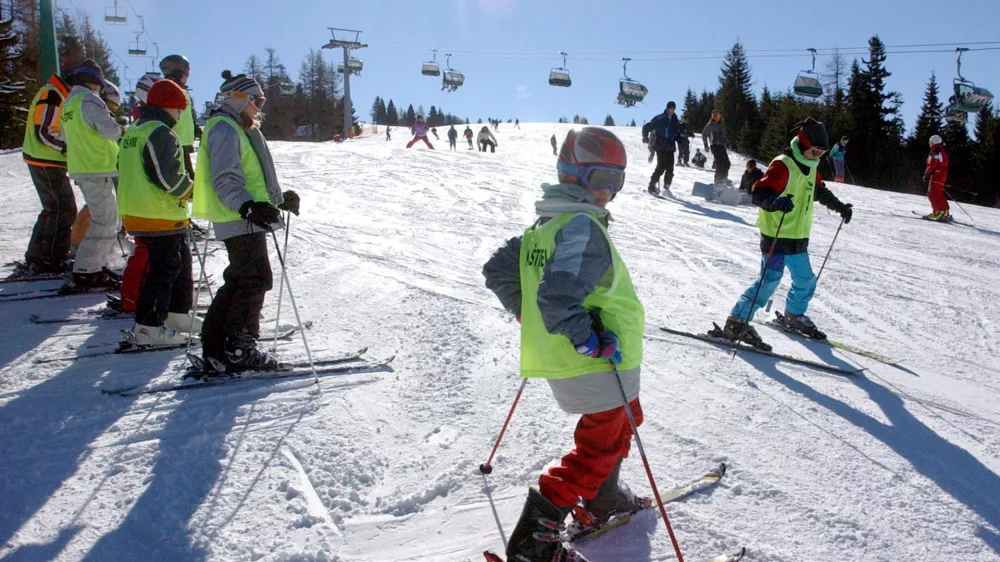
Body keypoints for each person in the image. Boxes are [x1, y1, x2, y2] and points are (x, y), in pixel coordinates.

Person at [482, 127, 646, 562]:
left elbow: (498, 270)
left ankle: (602, 501)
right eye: (599, 179)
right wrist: (588, 339)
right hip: (598, 362)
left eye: (617, 181)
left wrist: (528, 312)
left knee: (626, 420)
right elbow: (557, 299)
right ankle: (534, 546)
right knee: (599, 448)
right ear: (572, 175)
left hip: (586, 362)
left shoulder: (547, 225)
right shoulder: (580, 227)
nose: (608, 192)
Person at [193, 70, 300, 373]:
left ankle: (217, 348)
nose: (259, 107)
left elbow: (252, 177)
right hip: (239, 218)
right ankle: (240, 347)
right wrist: (249, 208)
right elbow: (225, 180)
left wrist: (278, 200)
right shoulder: (225, 129)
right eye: (257, 100)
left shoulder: (235, 128)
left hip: (240, 216)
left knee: (240, 280)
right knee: (255, 279)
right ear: (240, 98)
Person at [718, 118, 853, 348]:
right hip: (776, 236)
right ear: (802, 143)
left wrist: (840, 207)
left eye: (822, 152)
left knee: (806, 280)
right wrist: (775, 203)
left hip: (798, 236)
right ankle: (737, 321)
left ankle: (793, 315)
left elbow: (820, 192)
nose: (817, 156)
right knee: (769, 280)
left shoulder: (811, 167)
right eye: (814, 150)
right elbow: (759, 193)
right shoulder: (783, 165)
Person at [117, 79, 198, 345]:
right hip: (157, 212)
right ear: (168, 107)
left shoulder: (134, 130)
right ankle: (148, 327)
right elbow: (169, 178)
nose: (180, 116)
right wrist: (195, 192)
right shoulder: (160, 132)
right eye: (179, 110)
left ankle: (173, 313)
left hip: (140, 209)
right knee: (164, 269)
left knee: (179, 261)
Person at [60, 60, 124, 292]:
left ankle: (95, 265)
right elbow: (110, 130)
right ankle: (87, 270)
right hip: (97, 167)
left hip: (83, 167)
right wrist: (119, 126)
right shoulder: (89, 100)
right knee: (106, 222)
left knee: (107, 219)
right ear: (95, 82)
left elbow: (65, 136)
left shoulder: (69, 104)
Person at [16, 70, 75, 278]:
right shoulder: (52, 94)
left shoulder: (55, 94)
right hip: (46, 160)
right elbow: (45, 132)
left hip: (45, 159)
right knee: (63, 209)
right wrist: (69, 149)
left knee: (53, 208)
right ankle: (51, 258)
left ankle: (38, 254)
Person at [160, 55, 200, 177]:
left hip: (184, 143)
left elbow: (187, 114)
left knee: (190, 178)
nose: (187, 77)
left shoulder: (181, 91)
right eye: (187, 74)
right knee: (183, 177)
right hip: (175, 143)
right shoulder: (167, 89)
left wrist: (195, 128)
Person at [641, 101, 680, 195]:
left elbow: (677, 133)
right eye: (670, 108)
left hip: (670, 147)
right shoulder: (659, 118)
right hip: (660, 146)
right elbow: (646, 127)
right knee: (661, 167)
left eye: (673, 109)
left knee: (670, 169)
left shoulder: (675, 120)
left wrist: (681, 141)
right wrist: (645, 137)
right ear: (667, 108)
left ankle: (666, 187)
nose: (671, 110)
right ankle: (652, 185)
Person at [923, 135, 951, 222]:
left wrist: (927, 174)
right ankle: (945, 211)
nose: (930, 144)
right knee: (939, 193)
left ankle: (937, 212)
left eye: (930, 142)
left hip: (936, 175)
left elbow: (932, 164)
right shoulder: (942, 150)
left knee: (932, 194)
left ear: (934, 142)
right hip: (943, 174)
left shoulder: (935, 150)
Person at [702, 111, 731, 185]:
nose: (716, 118)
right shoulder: (709, 125)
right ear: (712, 116)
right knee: (719, 162)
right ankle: (718, 179)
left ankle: (724, 178)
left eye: (717, 116)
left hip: (722, 145)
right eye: (715, 116)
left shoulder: (720, 124)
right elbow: (704, 134)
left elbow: (724, 135)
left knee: (726, 163)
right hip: (715, 145)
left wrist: (727, 142)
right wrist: (706, 145)